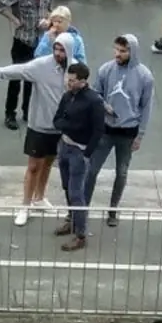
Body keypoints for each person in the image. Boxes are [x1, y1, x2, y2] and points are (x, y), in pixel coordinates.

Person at [0, 34, 79, 227]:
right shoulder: (41, 66)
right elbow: (18, 70)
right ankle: (25, 206)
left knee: (49, 164)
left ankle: (39, 197)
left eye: (62, 50)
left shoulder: (74, 69)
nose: (58, 53)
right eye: (55, 49)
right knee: (34, 167)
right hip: (39, 126)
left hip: (60, 129)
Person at [85, 35, 155, 227]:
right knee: (91, 170)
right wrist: (103, 105)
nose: (118, 54)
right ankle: (82, 208)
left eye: (123, 51)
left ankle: (113, 209)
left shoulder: (144, 76)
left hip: (128, 132)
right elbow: (95, 93)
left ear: (132, 52)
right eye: (116, 49)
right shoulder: (106, 69)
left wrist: (140, 135)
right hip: (106, 130)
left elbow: (146, 107)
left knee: (122, 172)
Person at [0, 0, 54, 130]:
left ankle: (27, 110)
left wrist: (48, 21)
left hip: (40, 42)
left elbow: (50, 9)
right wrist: (14, 20)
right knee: (16, 77)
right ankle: (10, 113)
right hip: (22, 40)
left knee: (33, 78)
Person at [52, 62, 104, 252]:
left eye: (73, 80)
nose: (69, 83)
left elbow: (98, 130)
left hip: (79, 151)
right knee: (67, 187)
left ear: (83, 81)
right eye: (68, 79)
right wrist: (67, 127)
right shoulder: (68, 97)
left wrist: (87, 153)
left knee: (76, 193)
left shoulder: (94, 101)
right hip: (65, 146)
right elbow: (57, 119)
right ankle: (72, 219)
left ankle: (81, 234)